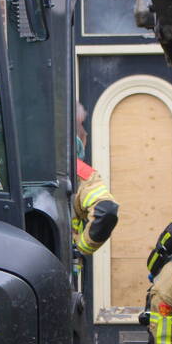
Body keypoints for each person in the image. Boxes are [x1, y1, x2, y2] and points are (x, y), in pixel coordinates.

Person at [71, 103, 119, 255]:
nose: (86, 132)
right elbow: (106, 210)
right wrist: (81, 247)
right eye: (82, 125)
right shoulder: (77, 170)